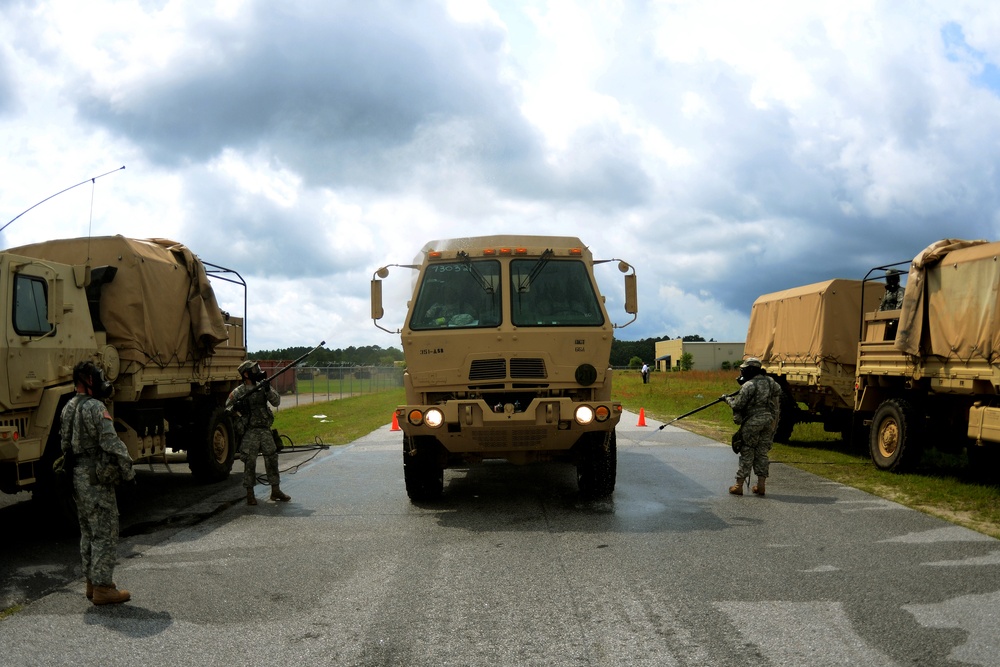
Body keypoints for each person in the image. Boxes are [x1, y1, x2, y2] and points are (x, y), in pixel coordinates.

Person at [60, 361, 135, 605]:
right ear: (89, 380)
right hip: (96, 478)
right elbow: (112, 444)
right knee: (105, 531)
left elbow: (64, 446)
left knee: (88, 531)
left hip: (77, 477)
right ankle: (103, 588)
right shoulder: (95, 407)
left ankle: (92, 583)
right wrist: (128, 471)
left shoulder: (68, 407)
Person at [227, 360, 290, 505]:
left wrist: (268, 389)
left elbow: (276, 402)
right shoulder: (239, 392)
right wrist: (237, 409)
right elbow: (227, 410)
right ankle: (250, 493)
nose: (258, 371)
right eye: (254, 370)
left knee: (272, 459)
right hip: (251, 431)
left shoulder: (263, 387)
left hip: (265, 430)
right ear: (246, 374)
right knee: (250, 462)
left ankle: (275, 490)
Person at [722, 358, 781, 496]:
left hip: (753, 422)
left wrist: (727, 399)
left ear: (750, 370)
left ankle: (738, 485)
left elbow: (737, 405)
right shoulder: (770, 382)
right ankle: (761, 486)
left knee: (747, 451)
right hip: (768, 421)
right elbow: (777, 392)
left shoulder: (749, 385)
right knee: (762, 452)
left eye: (744, 369)